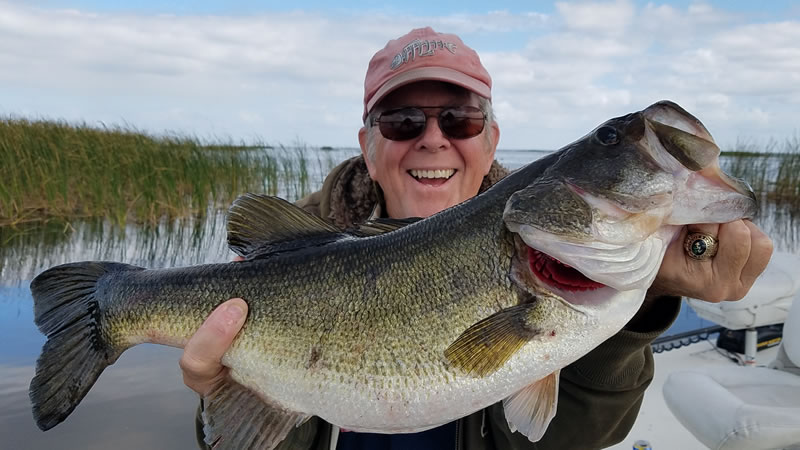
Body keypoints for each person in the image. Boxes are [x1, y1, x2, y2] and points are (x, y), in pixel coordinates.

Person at [180, 27, 774, 449]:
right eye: (403, 120)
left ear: (492, 141)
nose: (433, 139)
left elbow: (553, 443)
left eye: (460, 119)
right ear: (367, 144)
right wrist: (231, 392)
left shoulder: (561, 264)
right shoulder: (280, 263)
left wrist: (648, 299)